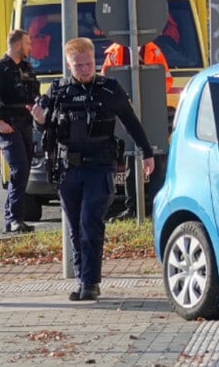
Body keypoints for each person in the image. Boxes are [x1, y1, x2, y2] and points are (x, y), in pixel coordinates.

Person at [31, 37, 154, 301]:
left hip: (100, 167)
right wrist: (40, 123)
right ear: (68, 64)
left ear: (95, 61)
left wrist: (147, 152)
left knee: (90, 222)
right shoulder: (58, 92)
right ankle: (82, 279)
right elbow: (46, 131)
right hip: (68, 169)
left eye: (88, 64)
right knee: (75, 227)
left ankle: (90, 282)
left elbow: (131, 122)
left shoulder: (109, 90)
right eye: (78, 65)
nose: (85, 69)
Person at [102, 40, 170, 221]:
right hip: (126, 113)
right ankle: (132, 208)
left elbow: (166, 79)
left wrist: (152, 97)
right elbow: (106, 80)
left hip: (152, 112)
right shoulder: (115, 52)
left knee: (156, 158)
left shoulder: (154, 50)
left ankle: (156, 207)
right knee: (130, 159)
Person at [0, 29, 40, 234]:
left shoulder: (27, 68)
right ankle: (15, 218)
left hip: (26, 124)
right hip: (8, 125)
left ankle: (13, 218)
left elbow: (34, 94)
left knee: (24, 170)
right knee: (20, 168)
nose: (30, 48)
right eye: (27, 44)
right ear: (17, 45)